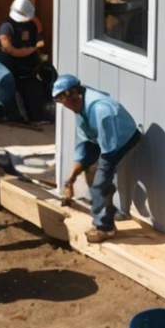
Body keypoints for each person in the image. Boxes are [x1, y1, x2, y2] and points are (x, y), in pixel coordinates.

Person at [52, 74, 141, 244]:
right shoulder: (80, 108)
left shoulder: (101, 110)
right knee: (91, 171)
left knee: (100, 181)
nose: (66, 107)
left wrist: (100, 180)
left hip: (123, 139)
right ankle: (106, 207)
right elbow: (84, 147)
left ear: (74, 94)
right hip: (100, 138)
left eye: (66, 102)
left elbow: (109, 150)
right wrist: (69, 182)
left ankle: (105, 228)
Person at [0, 0, 51, 124]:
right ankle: (0, 111)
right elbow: (9, 49)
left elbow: (39, 43)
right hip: (4, 61)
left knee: (37, 81)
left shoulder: (32, 25)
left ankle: (38, 115)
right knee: (5, 78)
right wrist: (31, 49)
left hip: (26, 62)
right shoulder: (6, 27)